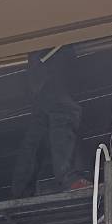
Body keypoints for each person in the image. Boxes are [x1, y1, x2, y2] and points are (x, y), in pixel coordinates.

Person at [10, 44, 84, 197]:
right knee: (63, 112)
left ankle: (21, 189)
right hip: (50, 56)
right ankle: (69, 177)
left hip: (43, 59)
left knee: (41, 126)